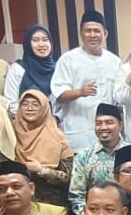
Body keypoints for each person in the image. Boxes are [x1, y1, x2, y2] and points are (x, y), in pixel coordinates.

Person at [50, 10, 123, 152]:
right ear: (81, 33)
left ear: (105, 34)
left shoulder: (114, 61)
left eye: (97, 31)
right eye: (88, 31)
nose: (92, 35)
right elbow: (59, 94)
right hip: (79, 134)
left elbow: (119, 97)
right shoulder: (68, 59)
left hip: (109, 135)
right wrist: (80, 92)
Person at [10, 88, 73, 214]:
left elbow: (69, 177)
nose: (30, 108)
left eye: (35, 104)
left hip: (51, 206)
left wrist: (42, 170)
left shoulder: (56, 136)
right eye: (25, 104)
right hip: (16, 202)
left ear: (44, 108)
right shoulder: (10, 132)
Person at [66, 103, 131, 214]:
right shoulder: (83, 156)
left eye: (109, 122)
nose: (103, 127)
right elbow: (76, 196)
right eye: (98, 123)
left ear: (120, 125)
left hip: (130, 214)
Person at [3, 23, 58, 112]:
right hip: (25, 119)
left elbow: (62, 104)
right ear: (27, 44)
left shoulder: (58, 69)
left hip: (55, 120)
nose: (41, 44)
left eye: (45, 40)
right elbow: (11, 103)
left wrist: (54, 118)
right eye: (35, 40)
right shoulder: (18, 69)